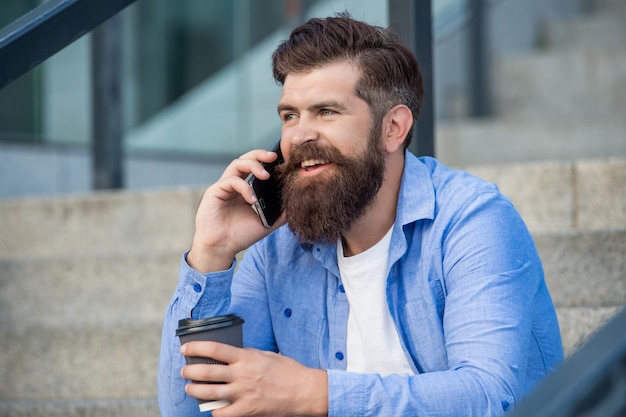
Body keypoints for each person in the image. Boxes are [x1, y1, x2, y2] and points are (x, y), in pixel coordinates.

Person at [157, 13, 563, 417]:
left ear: (393, 128)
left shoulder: (471, 221)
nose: (299, 135)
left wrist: (315, 393)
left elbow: (491, 397)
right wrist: (212, 252)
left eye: (327, 112)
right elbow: (195, 411)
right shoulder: (281, 246)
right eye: (290, 115)